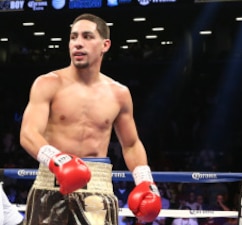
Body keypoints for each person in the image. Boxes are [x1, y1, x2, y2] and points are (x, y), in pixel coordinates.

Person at [19, 13, 161, 225]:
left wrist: (145, 182)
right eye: (73, 37)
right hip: (50, 184)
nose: (78, 43)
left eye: (87, 36)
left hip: (97, 188)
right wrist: (58, 160)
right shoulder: (47, 83)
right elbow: (28, 133)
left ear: (105, 45)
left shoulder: (119, 93)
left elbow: (131, 144)